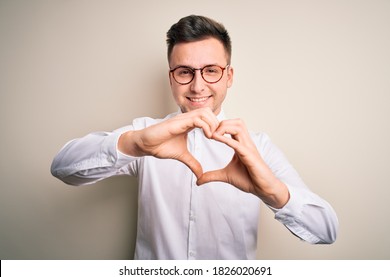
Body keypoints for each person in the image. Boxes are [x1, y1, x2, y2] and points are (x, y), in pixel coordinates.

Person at [51, 15, 338, 260]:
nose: (198, 86)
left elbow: (325, 230)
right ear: (171, 78)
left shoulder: (258, 146)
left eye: (211, 71)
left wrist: (273, 192)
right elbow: (63, 168)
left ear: (229, 76)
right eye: (185, 72)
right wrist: (135, 143)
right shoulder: (146, 135)